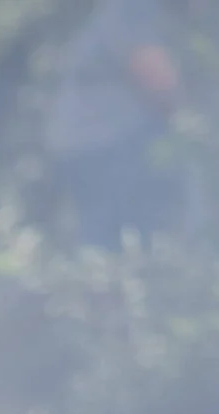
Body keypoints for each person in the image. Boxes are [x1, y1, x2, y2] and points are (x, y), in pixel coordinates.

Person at [44, 0, 180, 250]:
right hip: (104, 144)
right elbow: (157, 78)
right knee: (116, 246)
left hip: (93, 144)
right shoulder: (134, 7)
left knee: (106, 241)